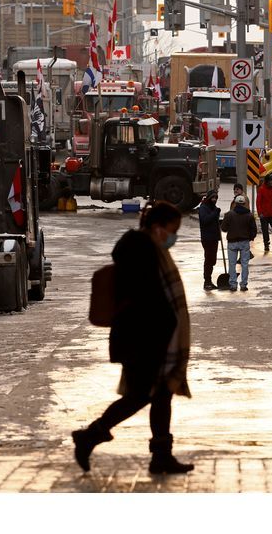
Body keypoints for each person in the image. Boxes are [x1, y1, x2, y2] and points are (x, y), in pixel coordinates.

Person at [72, 201, 194, 475]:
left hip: (152, 337)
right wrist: (164, 331)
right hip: (142, 339)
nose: (173, 236)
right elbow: (146, 300)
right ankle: (91, 434)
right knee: (140, 395)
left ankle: (161, 456)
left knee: (161, 395)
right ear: (157, 227)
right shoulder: (141, 250)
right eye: (172, 230)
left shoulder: (149, 248)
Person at [220, 194, 257, 292]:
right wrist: (250, 238)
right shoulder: (249, 215)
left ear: (235, 203)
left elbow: (223, 228)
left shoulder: (229, 214)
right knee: (245, 264)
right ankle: (243, 285)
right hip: (244, 242)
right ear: (244, 204)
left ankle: (233, 284)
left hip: (232, 242)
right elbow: (254, 230)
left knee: (232, 264)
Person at [197, 191, 222, 291]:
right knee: (208, 259)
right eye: (212, 198)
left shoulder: (213, 208)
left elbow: (215, 222)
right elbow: (205, 220)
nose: (214, 200)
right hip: (207, 238)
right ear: (208, 198)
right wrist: (215, 213)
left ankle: (209, 281)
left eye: (216, 198)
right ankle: (207, 281)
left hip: (214, 238)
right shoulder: (203, 208)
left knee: (212, 260)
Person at [255, 174, 272, 253]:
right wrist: (260, 213)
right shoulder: (262, 189)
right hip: (264, 215)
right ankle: (266, 244)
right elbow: (258, 202)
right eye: (271, 181)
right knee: (265, 231)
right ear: (267, 181)